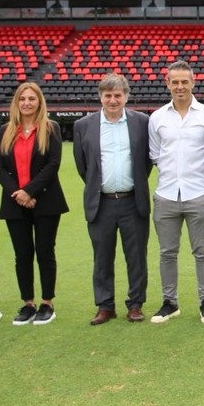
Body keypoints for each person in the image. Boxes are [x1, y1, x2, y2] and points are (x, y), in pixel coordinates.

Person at [73, 73, 152, 326]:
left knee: (136, 257)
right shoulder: (84, 125)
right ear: (101, 97)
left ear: (126, 96)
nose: (113, 100)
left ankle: (135, 304)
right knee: (102, 258)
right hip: (101, 202)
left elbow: (146, 163)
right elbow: (83, 166)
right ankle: (105, 306)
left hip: (133, 201)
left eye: (118, 95)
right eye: (108, 95)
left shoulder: (142, 122)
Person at [148, 60, 204, 324]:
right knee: (167, 253)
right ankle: (170, 303)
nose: (180, 86)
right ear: (168, 83)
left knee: (203, 252)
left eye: (184, 81)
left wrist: (198, 179)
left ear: (193, 82)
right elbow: (156, 155)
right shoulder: (157, 117)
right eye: (175, 82)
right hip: (166, 195)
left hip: (198, 194)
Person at [0, 82, 68, 326]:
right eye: (22, 99)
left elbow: (53, 164)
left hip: (46, 201)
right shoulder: (6, 130)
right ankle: (28, 303)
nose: (26, 103)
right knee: (22, 255)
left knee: (45, 252)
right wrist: (18, 193)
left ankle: (47, 303)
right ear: (16, 102)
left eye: (31, 99)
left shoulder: (50, 128)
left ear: (39, 102)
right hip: (15, 202)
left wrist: (30, 191)